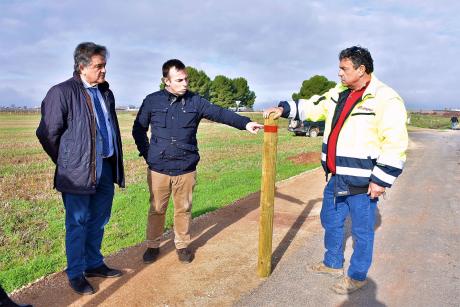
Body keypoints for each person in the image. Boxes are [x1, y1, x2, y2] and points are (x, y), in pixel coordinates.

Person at [264, 46, 408, 294]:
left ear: (361, 69)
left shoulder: (386, 98)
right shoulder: (339, 93)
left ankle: (357, 276)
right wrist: (284, 109)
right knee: (330, 219)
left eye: (344, 68)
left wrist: (381, 180)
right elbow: (313, 106)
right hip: (336, 175)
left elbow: (395, 142)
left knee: (362, 231)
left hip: (364, 181)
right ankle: (332, 263)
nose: (339, 73)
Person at [132, 59, 262, 264]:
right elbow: (138, 129)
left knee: (183, 209)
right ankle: (153, 245)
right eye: (179, 80)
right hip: (159, 168)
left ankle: (182, 245)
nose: (185, 83)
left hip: (185, 167)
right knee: (157, 209)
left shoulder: (196, 102)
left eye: (186, 79)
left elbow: (220, 113)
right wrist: (148, 154)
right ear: (166, 81)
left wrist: (245, 123)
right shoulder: (152, 101)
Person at [36, 42, 125, 295]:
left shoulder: (105, 92)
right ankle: (75, 273)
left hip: (105, 168)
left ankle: (94, 264)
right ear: (82, 66)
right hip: (77, 174)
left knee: (99, 220)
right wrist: (67, 161)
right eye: (99, 66)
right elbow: (46, 133)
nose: (104, 71)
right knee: (77, 223)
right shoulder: (61, 92)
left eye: (105, 66)